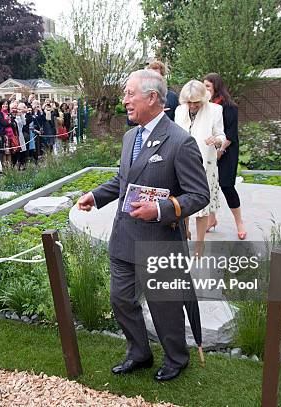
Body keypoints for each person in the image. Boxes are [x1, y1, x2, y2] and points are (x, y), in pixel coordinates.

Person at [77, 69, 209, 381]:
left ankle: (177, 358)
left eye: (129, 94)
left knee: (165, 307)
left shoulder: (180, 142)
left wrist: (162, 209)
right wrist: (96, 196)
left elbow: (199, 195)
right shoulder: (129, 137)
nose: (124, 100)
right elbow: (124, 179)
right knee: (121, 300)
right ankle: (139, 352)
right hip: (124, 237)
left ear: (152, 98)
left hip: (159, 240)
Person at [174, 80, 226, 253]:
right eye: (190, 102)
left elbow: (221, 135)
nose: (193, 105)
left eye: (197, 102)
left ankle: (200, 243)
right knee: (183, 203)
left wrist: (216, 140)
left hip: (206, 163)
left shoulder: (215, 110)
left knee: (202, 206)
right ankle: (186, 233)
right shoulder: (180, 110)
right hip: (183, 164)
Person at [203, 73, 246, 239]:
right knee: (209, 185)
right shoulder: (205, 106)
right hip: (210, 151)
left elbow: (230, 135)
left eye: (208, 86)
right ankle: (212, 219)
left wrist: (219, 152)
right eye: (204, 86)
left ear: (216, 87)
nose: (205, 89)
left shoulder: (229, 106)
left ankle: (239, 222)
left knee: (227, 186)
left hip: (226, 151)